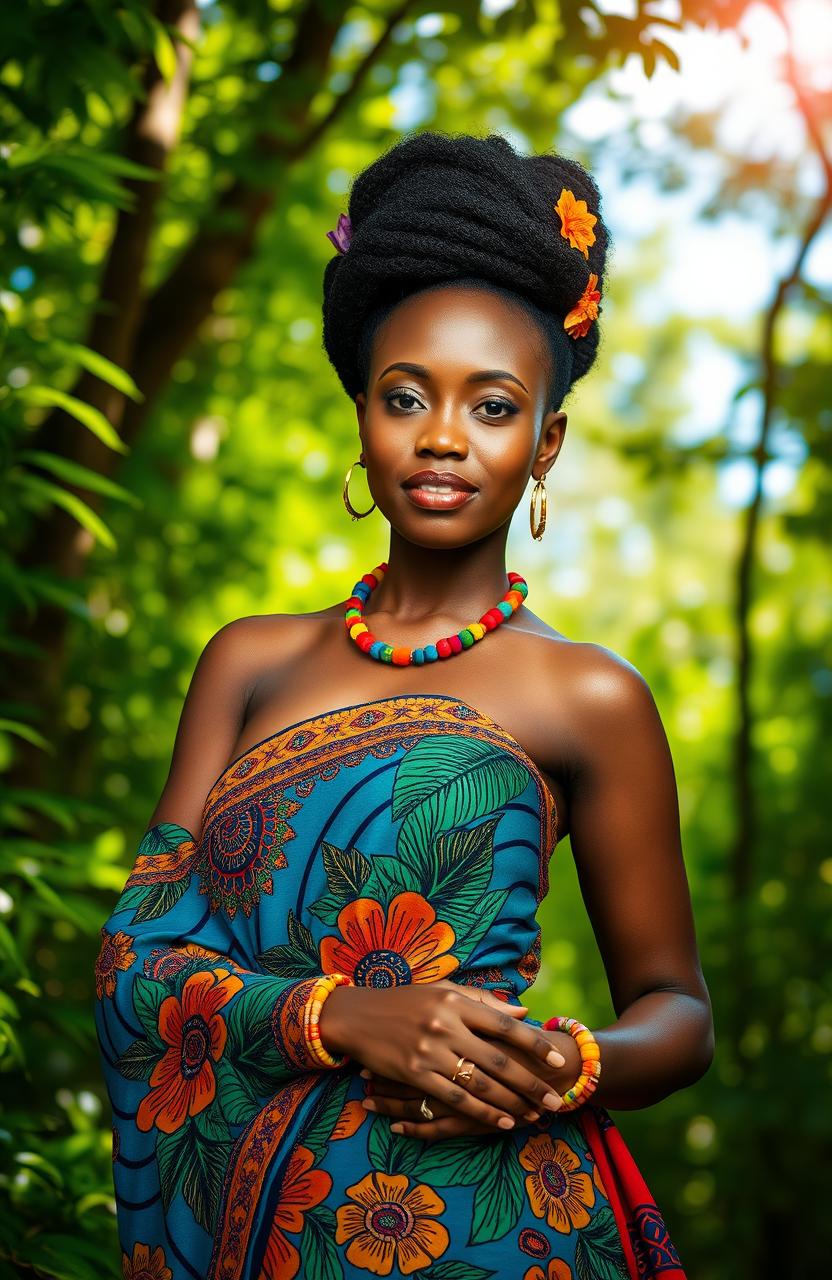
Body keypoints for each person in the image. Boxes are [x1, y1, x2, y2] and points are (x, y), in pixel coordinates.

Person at [95, 130, 714, 1280]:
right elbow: (134, 960)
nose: (441, 435)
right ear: (364, 420)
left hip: (490, 1221)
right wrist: (339, 1015)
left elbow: (677, 1011)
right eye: (404, 394)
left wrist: (562, 1059)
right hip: (258, 1223)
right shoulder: (249, 663)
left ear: (545, 444)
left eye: (492, 405)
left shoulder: (590, 693)